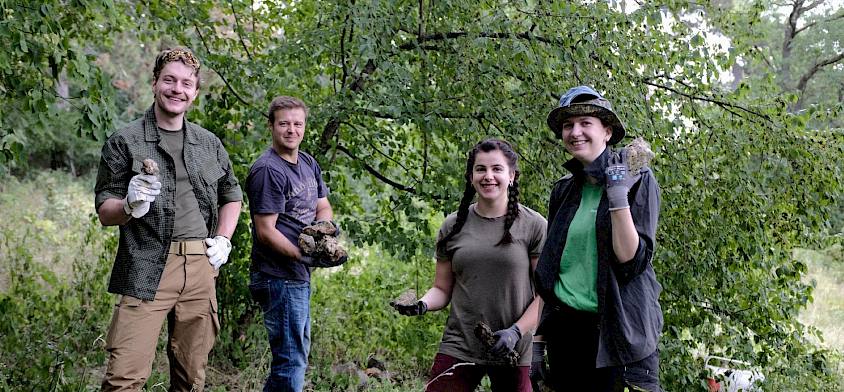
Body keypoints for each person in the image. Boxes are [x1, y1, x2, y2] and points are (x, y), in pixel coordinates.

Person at [94, 47, 243, 391]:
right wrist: (129, 204)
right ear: (155, 83)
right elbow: (105, 210)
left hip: (201, 266)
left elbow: (231, 195)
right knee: (123, 379)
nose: (177, 89)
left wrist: (223, 238)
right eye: (169, 80)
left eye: (186, 83)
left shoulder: (208, 143)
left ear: (195, 92)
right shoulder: (126, 141)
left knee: (191, 378)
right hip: (147, 265)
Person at [534, 85, 663, 391]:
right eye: (568, 125)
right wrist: (538, 343)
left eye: (585, 123)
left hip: (618, 336)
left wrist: (617, 194)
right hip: (566, 335)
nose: (575, 132)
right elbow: (551, 273)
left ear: (607, 131)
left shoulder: (637, 178)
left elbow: (631, 260)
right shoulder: (563, 191)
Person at [392, 138, 547, 392]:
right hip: (460, 343)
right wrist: (422, 304)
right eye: (480, 169)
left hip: (514, 348)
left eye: (497, 169)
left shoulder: (533, 225)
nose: (488, 176)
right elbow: (442, 289)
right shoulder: (452, 226)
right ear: (471, 176)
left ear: (512, 176)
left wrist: (515, 332)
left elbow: (544, 296)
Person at [246, 96, 341, 392]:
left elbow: (323, 207)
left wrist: (323, 234)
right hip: (278, 276)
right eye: (284, 123)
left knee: (294, 356)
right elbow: (265, 231)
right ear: (272, 126)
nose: (291, 130)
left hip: (296, 277)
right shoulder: (268, 170)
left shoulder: (308, 162)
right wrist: (305, 257)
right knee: (291, 361)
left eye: (297, 123)